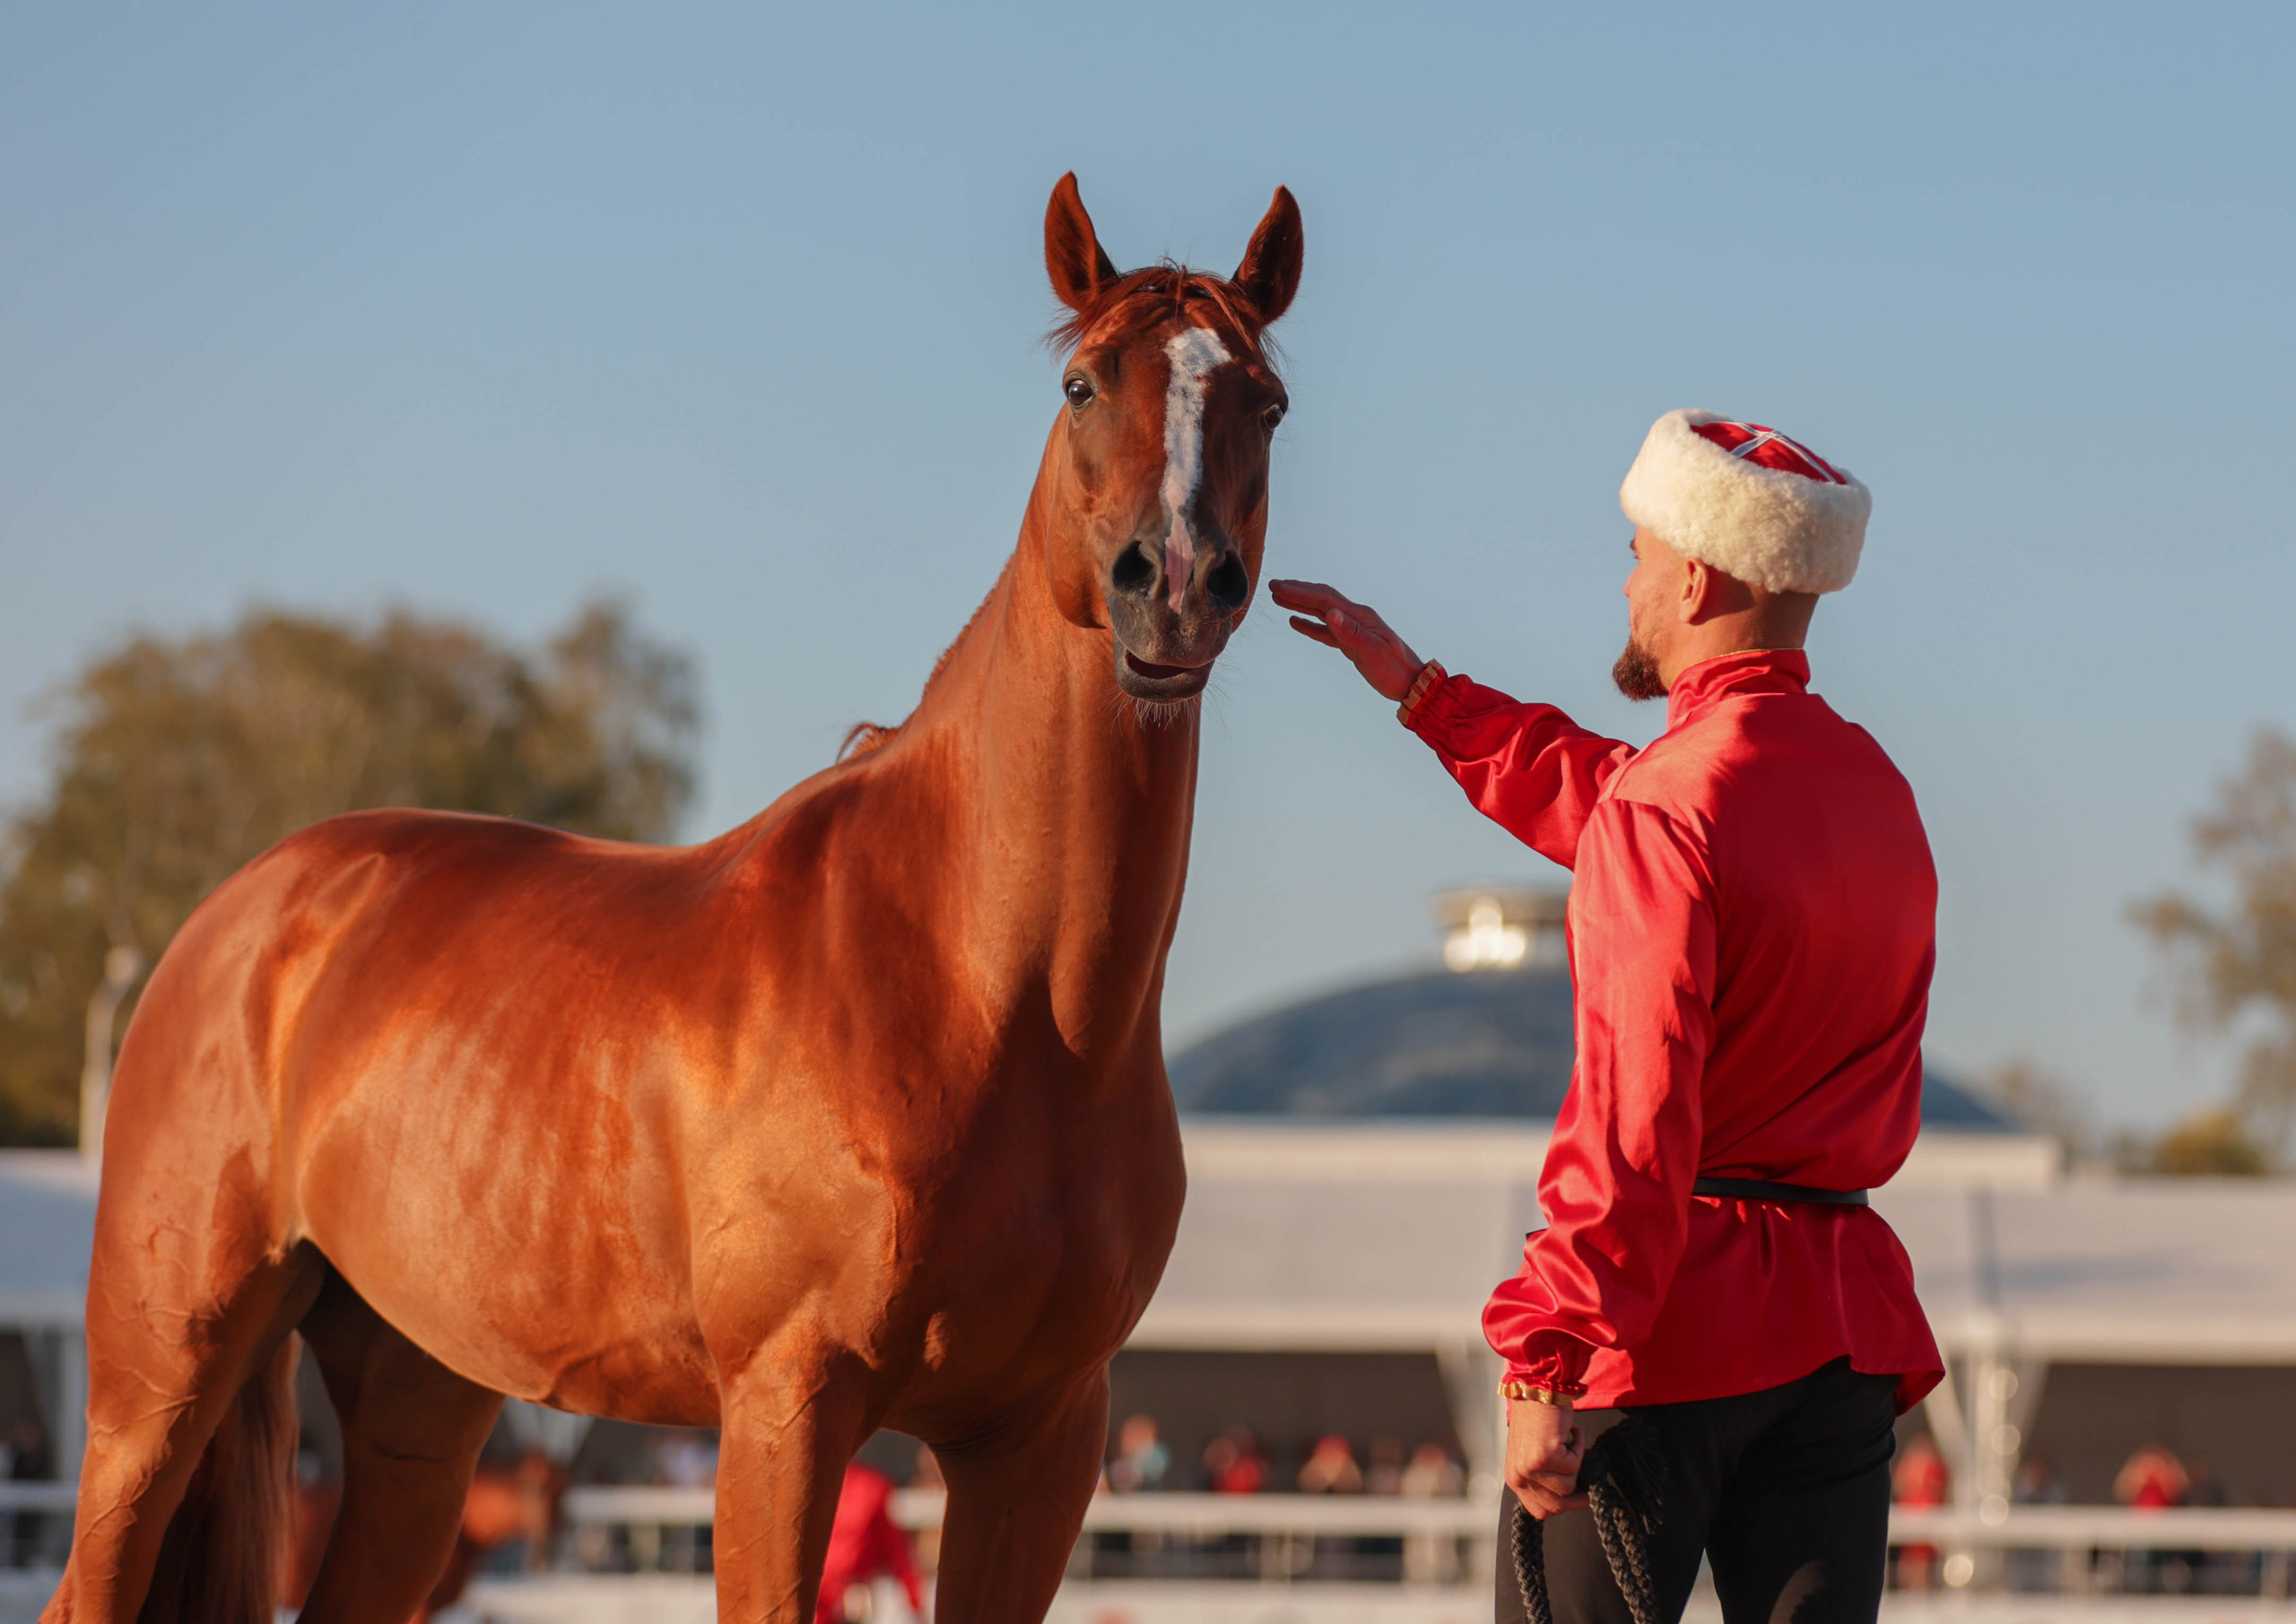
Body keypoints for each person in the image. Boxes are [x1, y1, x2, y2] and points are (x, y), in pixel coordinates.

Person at [1273, 409, 1944, 1624]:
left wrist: (1547, 1348)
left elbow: (1636, 1110)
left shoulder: (1673, 805)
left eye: (1636, 553)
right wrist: (1429, 695)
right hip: (1842, 1325)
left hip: (1669, 1326)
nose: (1626, 579)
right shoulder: (1876, 789)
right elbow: (1628, 800)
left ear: (1695, 574)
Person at [818, 1462, 925, 1624]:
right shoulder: (807, 1484)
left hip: (848, 1601)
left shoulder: (871, 1488)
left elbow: (896, 1551)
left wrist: (915, 1600)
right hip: (819, 1599)